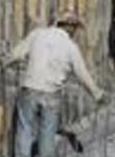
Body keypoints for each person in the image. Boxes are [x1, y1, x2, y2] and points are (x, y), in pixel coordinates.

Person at [9, 12, 105, 157]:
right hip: (51, 96)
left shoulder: (37, 34)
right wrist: (98, 95)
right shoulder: (70, 47)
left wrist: (5, 62)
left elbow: (15, 54)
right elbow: (83, 75)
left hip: (29, 90)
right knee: (46, 140)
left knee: (24, 133)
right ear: (72, 28)